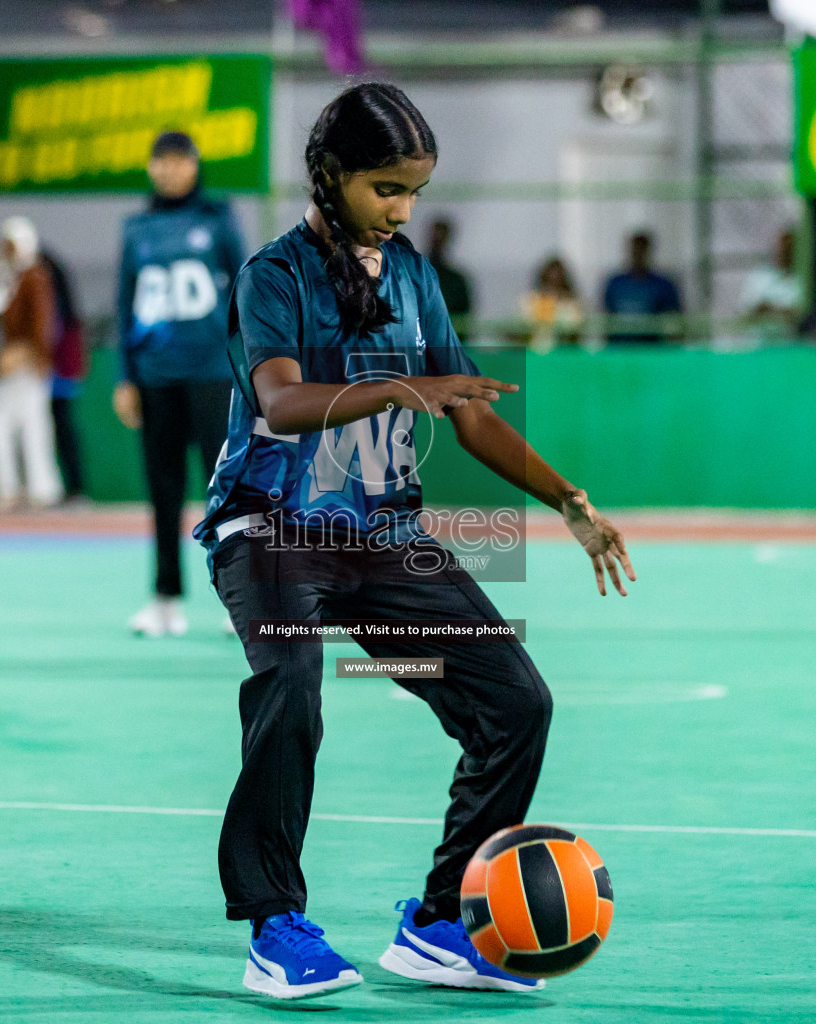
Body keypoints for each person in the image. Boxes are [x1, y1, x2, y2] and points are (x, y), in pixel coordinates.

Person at [196, 82, 634, 1000]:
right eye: (385, 189)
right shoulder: (273, 278)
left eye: (414, 192)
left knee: (516, 702)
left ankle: (438, 923)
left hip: (383, 536)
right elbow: (280, 402)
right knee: (289, 684)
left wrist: (569, 501)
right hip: (271, 528)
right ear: (333, 176)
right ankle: (275, 926)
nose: (401, 210)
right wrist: (399, 392)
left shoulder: (415, 280)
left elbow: (468, 415)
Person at [115, 130, 246, 637]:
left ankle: (239, 597)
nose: (170, 170)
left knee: (226, 489)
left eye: (179, 161)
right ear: (151, 168)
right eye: (161, 162)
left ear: (194, 165)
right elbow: (124, 302)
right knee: (162, 491)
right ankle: (165, 598)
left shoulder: (217, 219)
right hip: (155, 379)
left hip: (212, 375)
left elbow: (247, 288)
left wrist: (245, 361)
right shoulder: (137, 228)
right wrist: (124, 378)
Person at [0, 216, 63, 510]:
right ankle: (10, 488)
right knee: (10, 426)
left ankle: (35, 490)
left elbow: (43, 325)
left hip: (28, 367)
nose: (5, 250)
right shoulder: (11, 279)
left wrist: (26, 354)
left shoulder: (35, 278)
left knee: (19, 426)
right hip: (15, 366)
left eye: (10, 245)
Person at [41, 248, 88, 502]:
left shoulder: (61, 309)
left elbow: (62, 343)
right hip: (51, 376)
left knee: (63, 429)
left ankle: (75, 488)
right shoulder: (59, 307)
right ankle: (67, 487)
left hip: (58, 377)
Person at [601, 231, 681, 344]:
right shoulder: (615, 284)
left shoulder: (663, 285)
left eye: (641, 250)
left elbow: (674, 321)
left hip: (652, 350)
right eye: (635, 250)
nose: (638, 254)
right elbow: (606, 318)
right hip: (620, 349)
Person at [738, 226, 804, 343]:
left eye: (789, 246)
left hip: (788, 346)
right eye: (781, 246)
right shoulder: (759, 277)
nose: (783, 251)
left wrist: (771, 309)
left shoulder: (801, 280)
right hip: (758, 345)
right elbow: (746, 311)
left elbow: (798, 314)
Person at [520, 255, 583, 353]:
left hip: (563, 353)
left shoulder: (571, 304)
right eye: (549, 281)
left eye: (557, 280)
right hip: (536, 353)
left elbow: (575, 331)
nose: (553, 285)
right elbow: (521, 327)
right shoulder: (531, 301)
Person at [426, 217, 473, 330]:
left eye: (441, 237)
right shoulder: (413, 274)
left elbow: (464, 320)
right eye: (435, 237)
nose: (437, 241)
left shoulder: (457, 281)